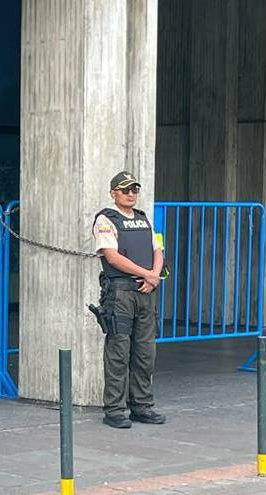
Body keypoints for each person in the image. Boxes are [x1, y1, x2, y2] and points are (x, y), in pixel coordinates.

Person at [92, 171, 166, 428]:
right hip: (121, 294)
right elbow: (112, 257)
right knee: (118, 353)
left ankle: (142, 406)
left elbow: (158, 249)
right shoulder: (106, 219)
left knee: (146, 353)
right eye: (125, 190)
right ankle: (114, 410)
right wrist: (148, 274)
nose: (131, 194)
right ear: (113, 194)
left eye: (134, 189)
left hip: (147, 292)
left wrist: (154, 276)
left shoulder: (144, 219)